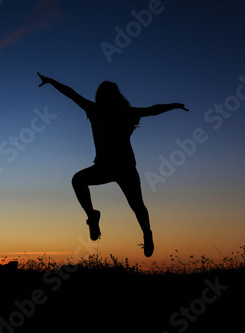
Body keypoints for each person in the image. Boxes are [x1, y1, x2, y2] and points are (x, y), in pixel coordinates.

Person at [37, 72, 189, 257]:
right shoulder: (102, 111)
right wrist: (51, 81)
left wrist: (172, 106)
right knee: (81, 181)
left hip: (120, 168)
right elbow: (71, 93)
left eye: (111, 92)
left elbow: (152, 110)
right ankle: (96, 217)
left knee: (136, 205)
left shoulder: (116, 112)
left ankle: (144, 232)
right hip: (112, 167)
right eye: (106, 92)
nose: (109, 95)